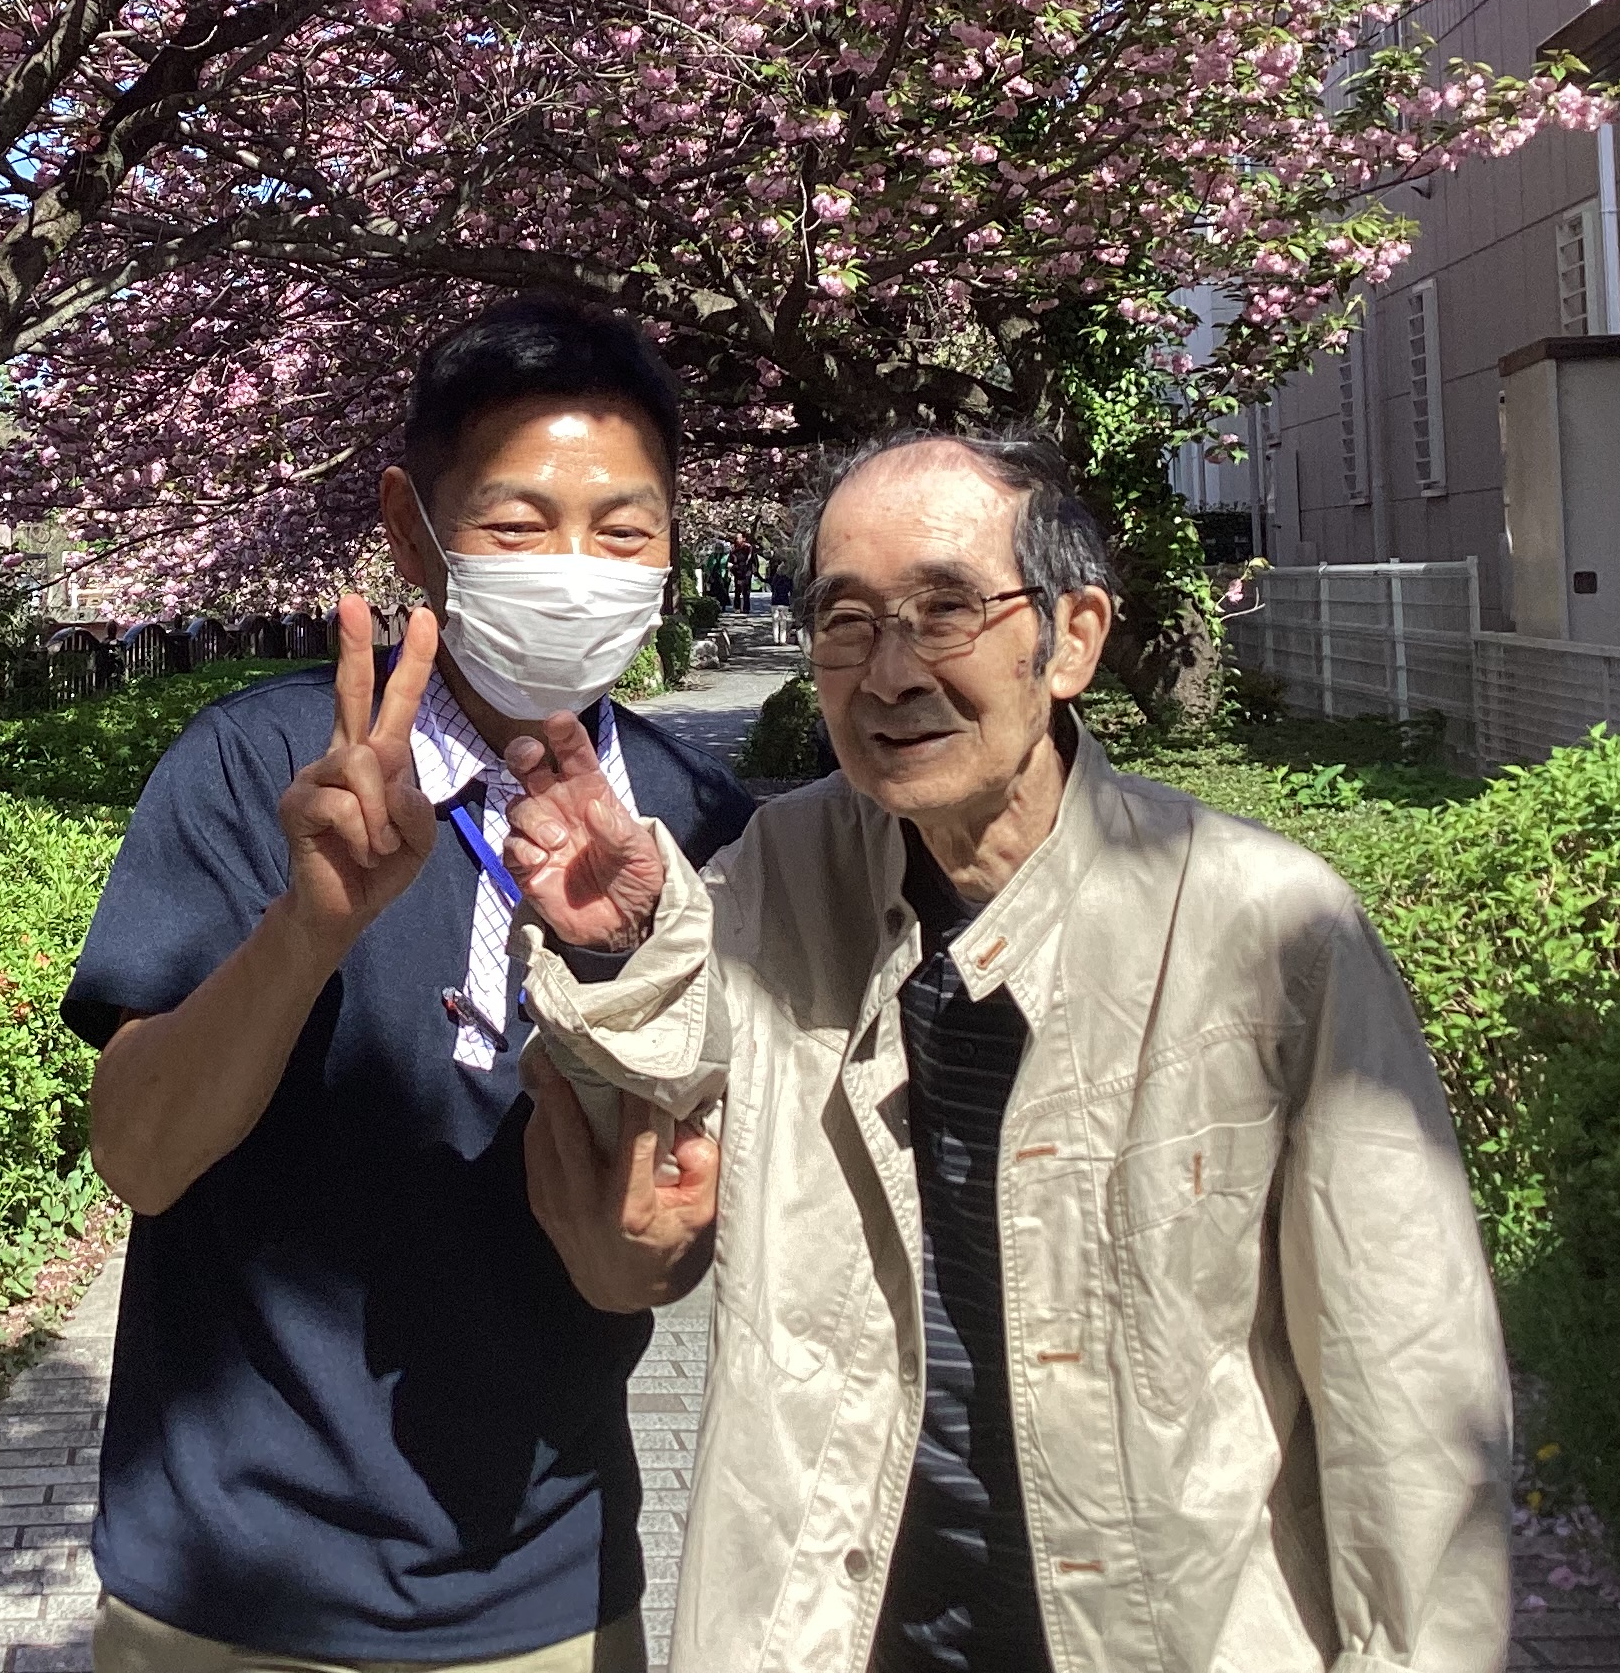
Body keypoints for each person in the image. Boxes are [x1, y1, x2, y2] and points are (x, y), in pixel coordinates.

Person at [499, 429, 1511, 1673]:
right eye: (847, 622)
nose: (890, 674)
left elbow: (1406, 1380)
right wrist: (620, 942)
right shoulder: (784, 873)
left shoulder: (1265, 928)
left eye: (947, 611)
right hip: (840, 1629)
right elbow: (656, 1102)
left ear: (1072, 639)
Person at [65, 298, 755, 1673]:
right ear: (410, 528)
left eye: (624, 532)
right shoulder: (258, 772)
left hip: (551, 1591)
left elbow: (666, 1243)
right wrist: (307, 928)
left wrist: (649, 1251)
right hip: (229, 1589)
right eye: (516, 525)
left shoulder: (701, 828)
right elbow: (137, 1156)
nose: (576, 570)